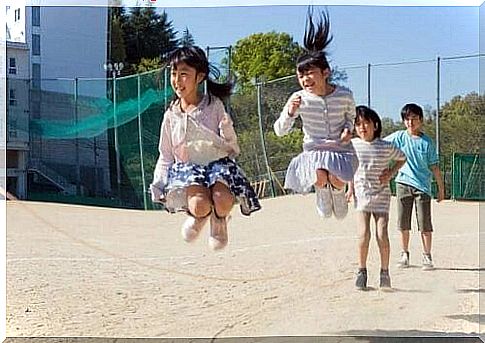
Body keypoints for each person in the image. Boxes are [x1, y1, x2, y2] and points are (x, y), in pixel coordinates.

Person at [150, 46, 261, 250]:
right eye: (174, 74)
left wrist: (228, 131)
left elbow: (231, 147)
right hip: (189, 169)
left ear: (199, 77)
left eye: (184, 74)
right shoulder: (170, 115)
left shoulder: (214, 105)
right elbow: (165, 154)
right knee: (199, 204)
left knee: (223, 200)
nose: (177, 80)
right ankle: (201, 215)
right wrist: (158, 183)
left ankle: (219, 219)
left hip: (218, 165)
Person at [274, 8, 358, 219]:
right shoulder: (298, 98)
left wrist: (349, 129)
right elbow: (279, 131)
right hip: (313, 150)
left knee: (337, 179)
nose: (305, 79)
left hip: (341, 150)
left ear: (325, 72)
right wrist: (291, 113)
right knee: (320, 176)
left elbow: (352, 117)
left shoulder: (344, 95)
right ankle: (322, 192)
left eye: (309, 73)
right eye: (301, 75)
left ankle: (338, 192)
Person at [346, 106, 406, 290]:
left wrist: (390, 173)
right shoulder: (353, 145)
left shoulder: (385, 146)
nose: (362, 127)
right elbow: (350, 167)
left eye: (366, 123)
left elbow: (402, 158)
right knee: (363, 234)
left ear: (375, 125)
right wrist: (350, 188)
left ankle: (384, 272)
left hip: (381, 195)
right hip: (362, 196)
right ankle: (361, 271)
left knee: (382, 234)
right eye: (358, 124)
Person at [384, 103, 445, 270]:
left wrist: (441, 189)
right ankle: (404, 254)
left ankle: (427, 255)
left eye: (414, 119)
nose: (410, 122)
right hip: (403, 183)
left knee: (425, 223)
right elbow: (380, 146)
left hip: (423, 187)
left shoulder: (427, 143)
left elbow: (434, 167)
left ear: (421, 120)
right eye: (407, 119)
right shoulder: (399, 137)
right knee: (403, 222)